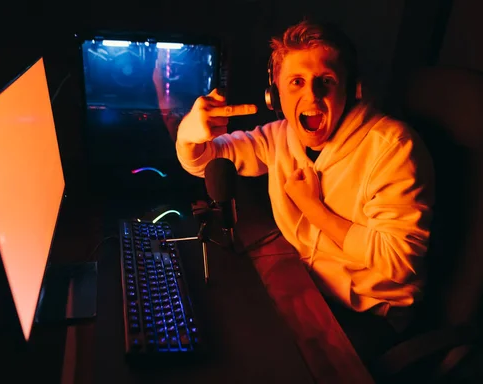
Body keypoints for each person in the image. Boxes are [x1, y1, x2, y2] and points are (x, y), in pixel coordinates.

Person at [175, 19, 435, 361]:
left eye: (326, 81)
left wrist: (314, 209)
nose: (312, 95)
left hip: (368, 315)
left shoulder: (393, 148)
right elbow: (205, 160)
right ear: (275, 94)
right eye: (296, 82)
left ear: (352, 89)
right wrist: (189, 134)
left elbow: (399, 261)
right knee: (220, 328)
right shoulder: (279, 136)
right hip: (306, 288)